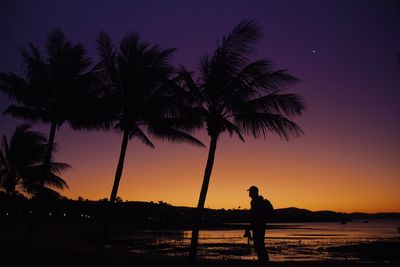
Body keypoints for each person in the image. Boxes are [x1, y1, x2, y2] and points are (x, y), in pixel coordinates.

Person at [247, 185, 270, 264]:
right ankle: (264, 261)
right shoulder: (256, 201)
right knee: (259, 246)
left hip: (258, 227)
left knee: (259, 246)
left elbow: (255, 216)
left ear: (253, 192)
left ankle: (264, 262)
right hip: (259, 226)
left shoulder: (256, 202)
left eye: (250, 191)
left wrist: (250, 227)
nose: (249, 193)